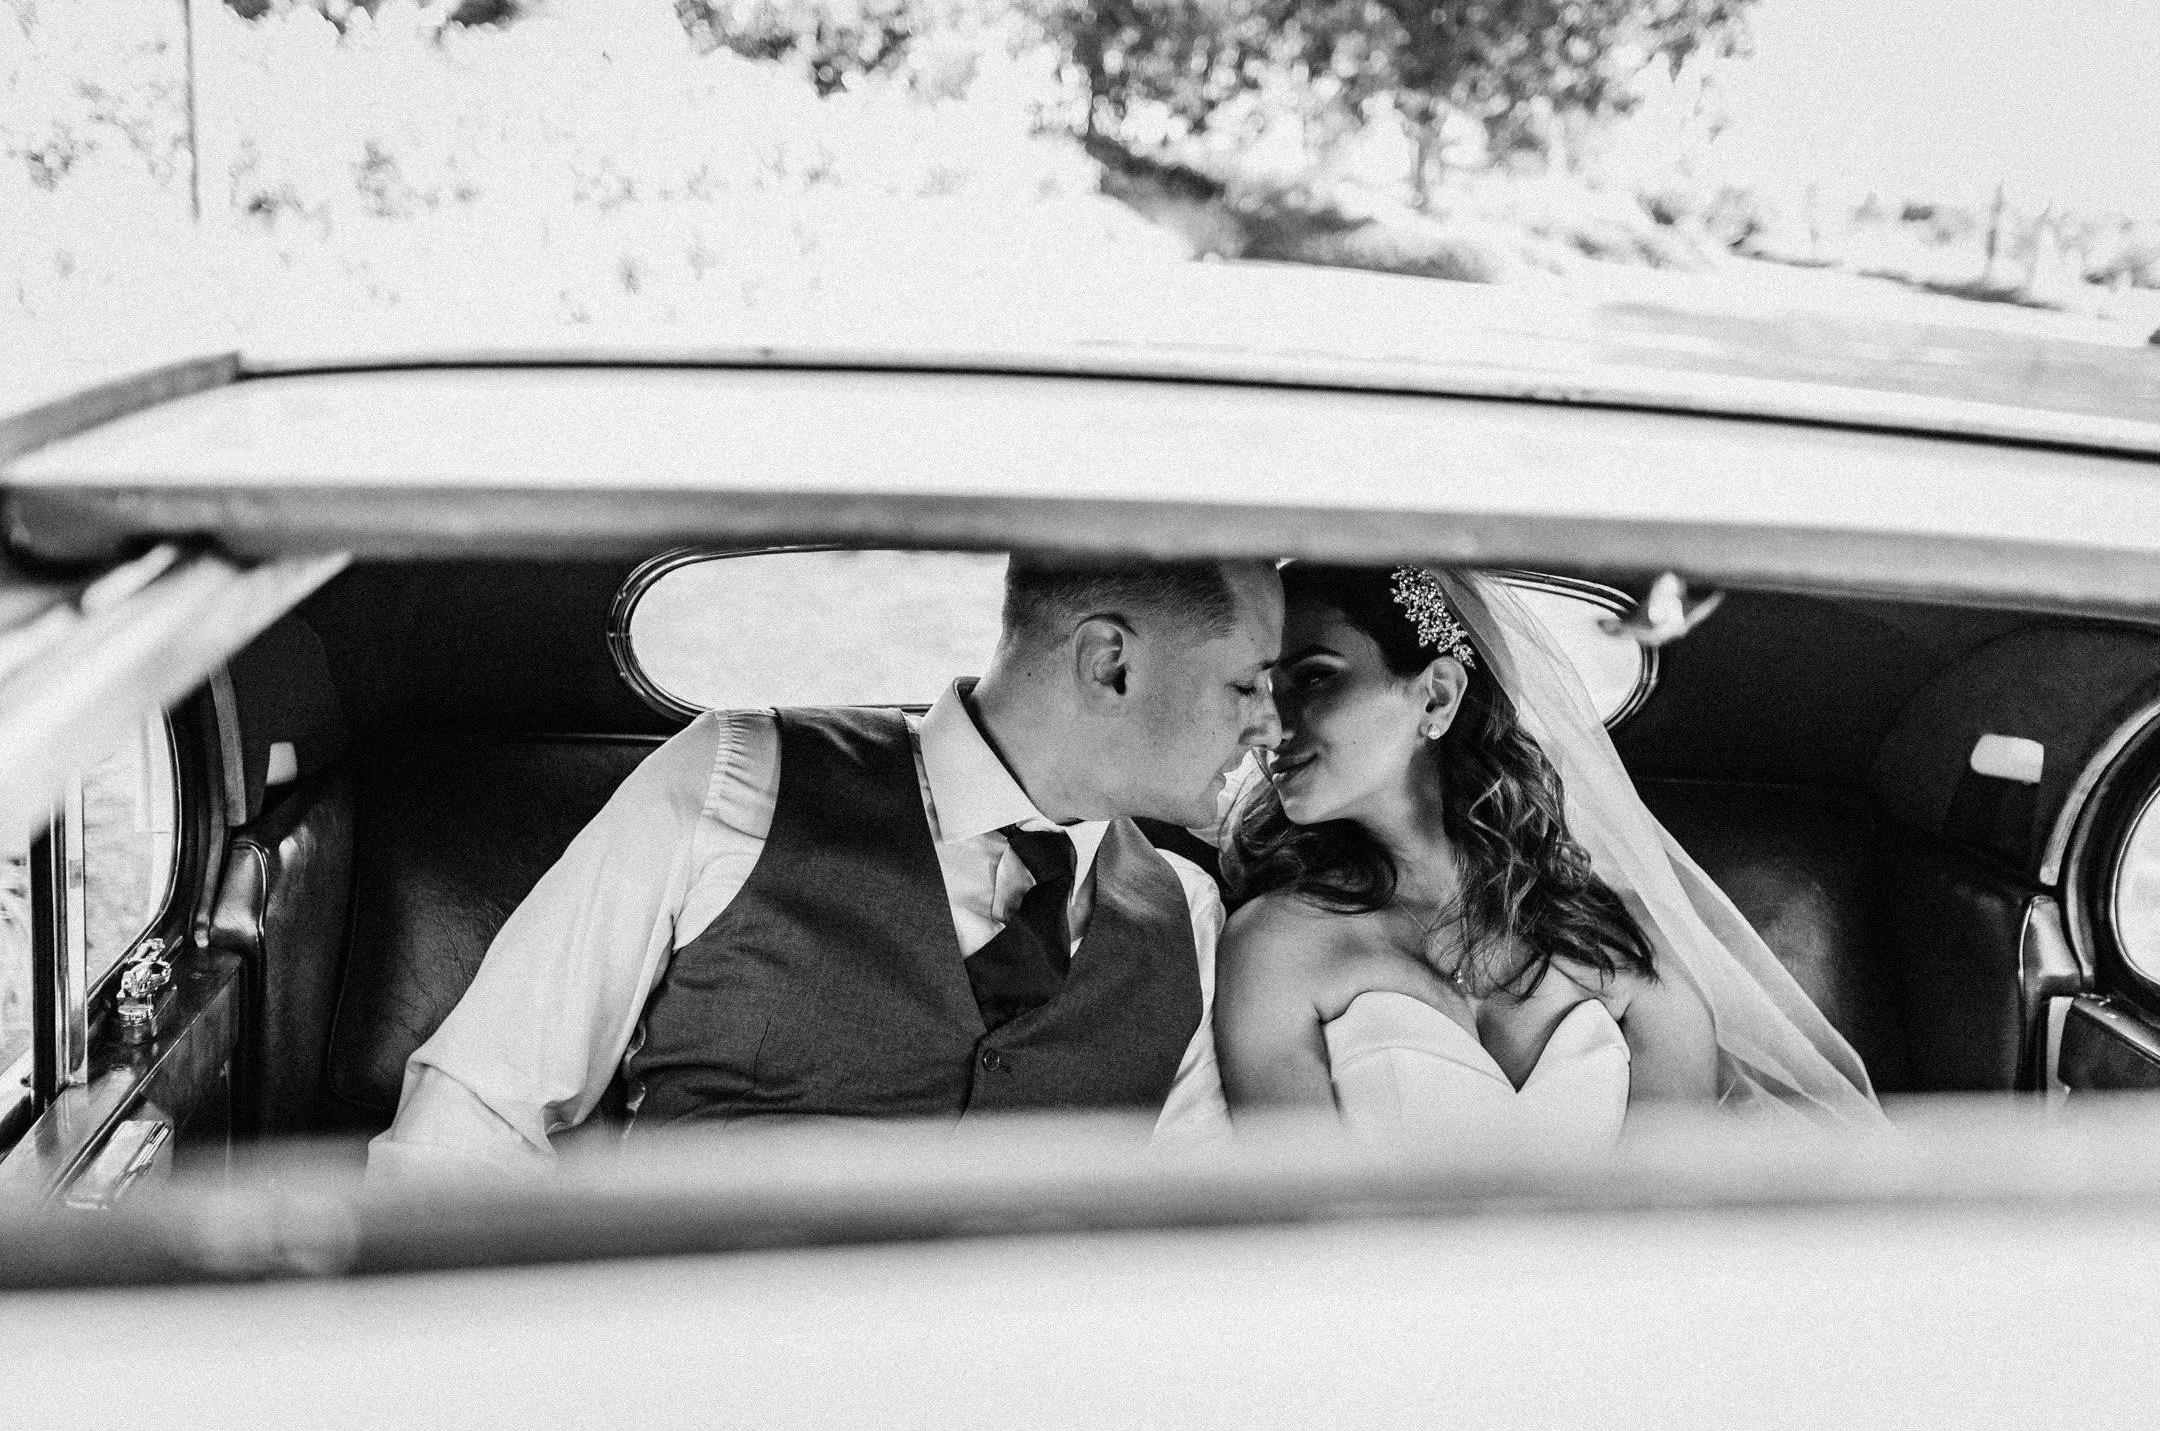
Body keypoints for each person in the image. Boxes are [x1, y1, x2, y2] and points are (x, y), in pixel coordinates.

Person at [369, 556, 1284, 1180]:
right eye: (1249, 683)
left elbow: (1176, 1247)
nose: (1271, 728)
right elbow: (476, 1120)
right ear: (1110, 663)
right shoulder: (737, 779)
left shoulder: (1186, 917)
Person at [1214, 564, 1883, 1147]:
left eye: (1311, 679)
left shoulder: (1624, 945)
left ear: (1437, 694)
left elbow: (1669, 1218)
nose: (1269, 724)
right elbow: (1305, 1228)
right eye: (1261, 689)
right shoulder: (1272, 947)